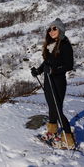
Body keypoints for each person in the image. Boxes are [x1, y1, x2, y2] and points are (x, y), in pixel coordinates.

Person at [31, 18, 75, 149]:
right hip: (48, 80)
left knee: (57, 109)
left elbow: (69, 65)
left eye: (54, 28)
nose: (51, 31)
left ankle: (68, 139)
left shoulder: (65, 45)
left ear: (61, 30)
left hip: (58, 81)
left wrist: (54, 70)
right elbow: (47, 62)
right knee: (51, 107)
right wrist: (38, 71)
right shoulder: (51, 45)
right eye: (49, 29)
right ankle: (52, 131)